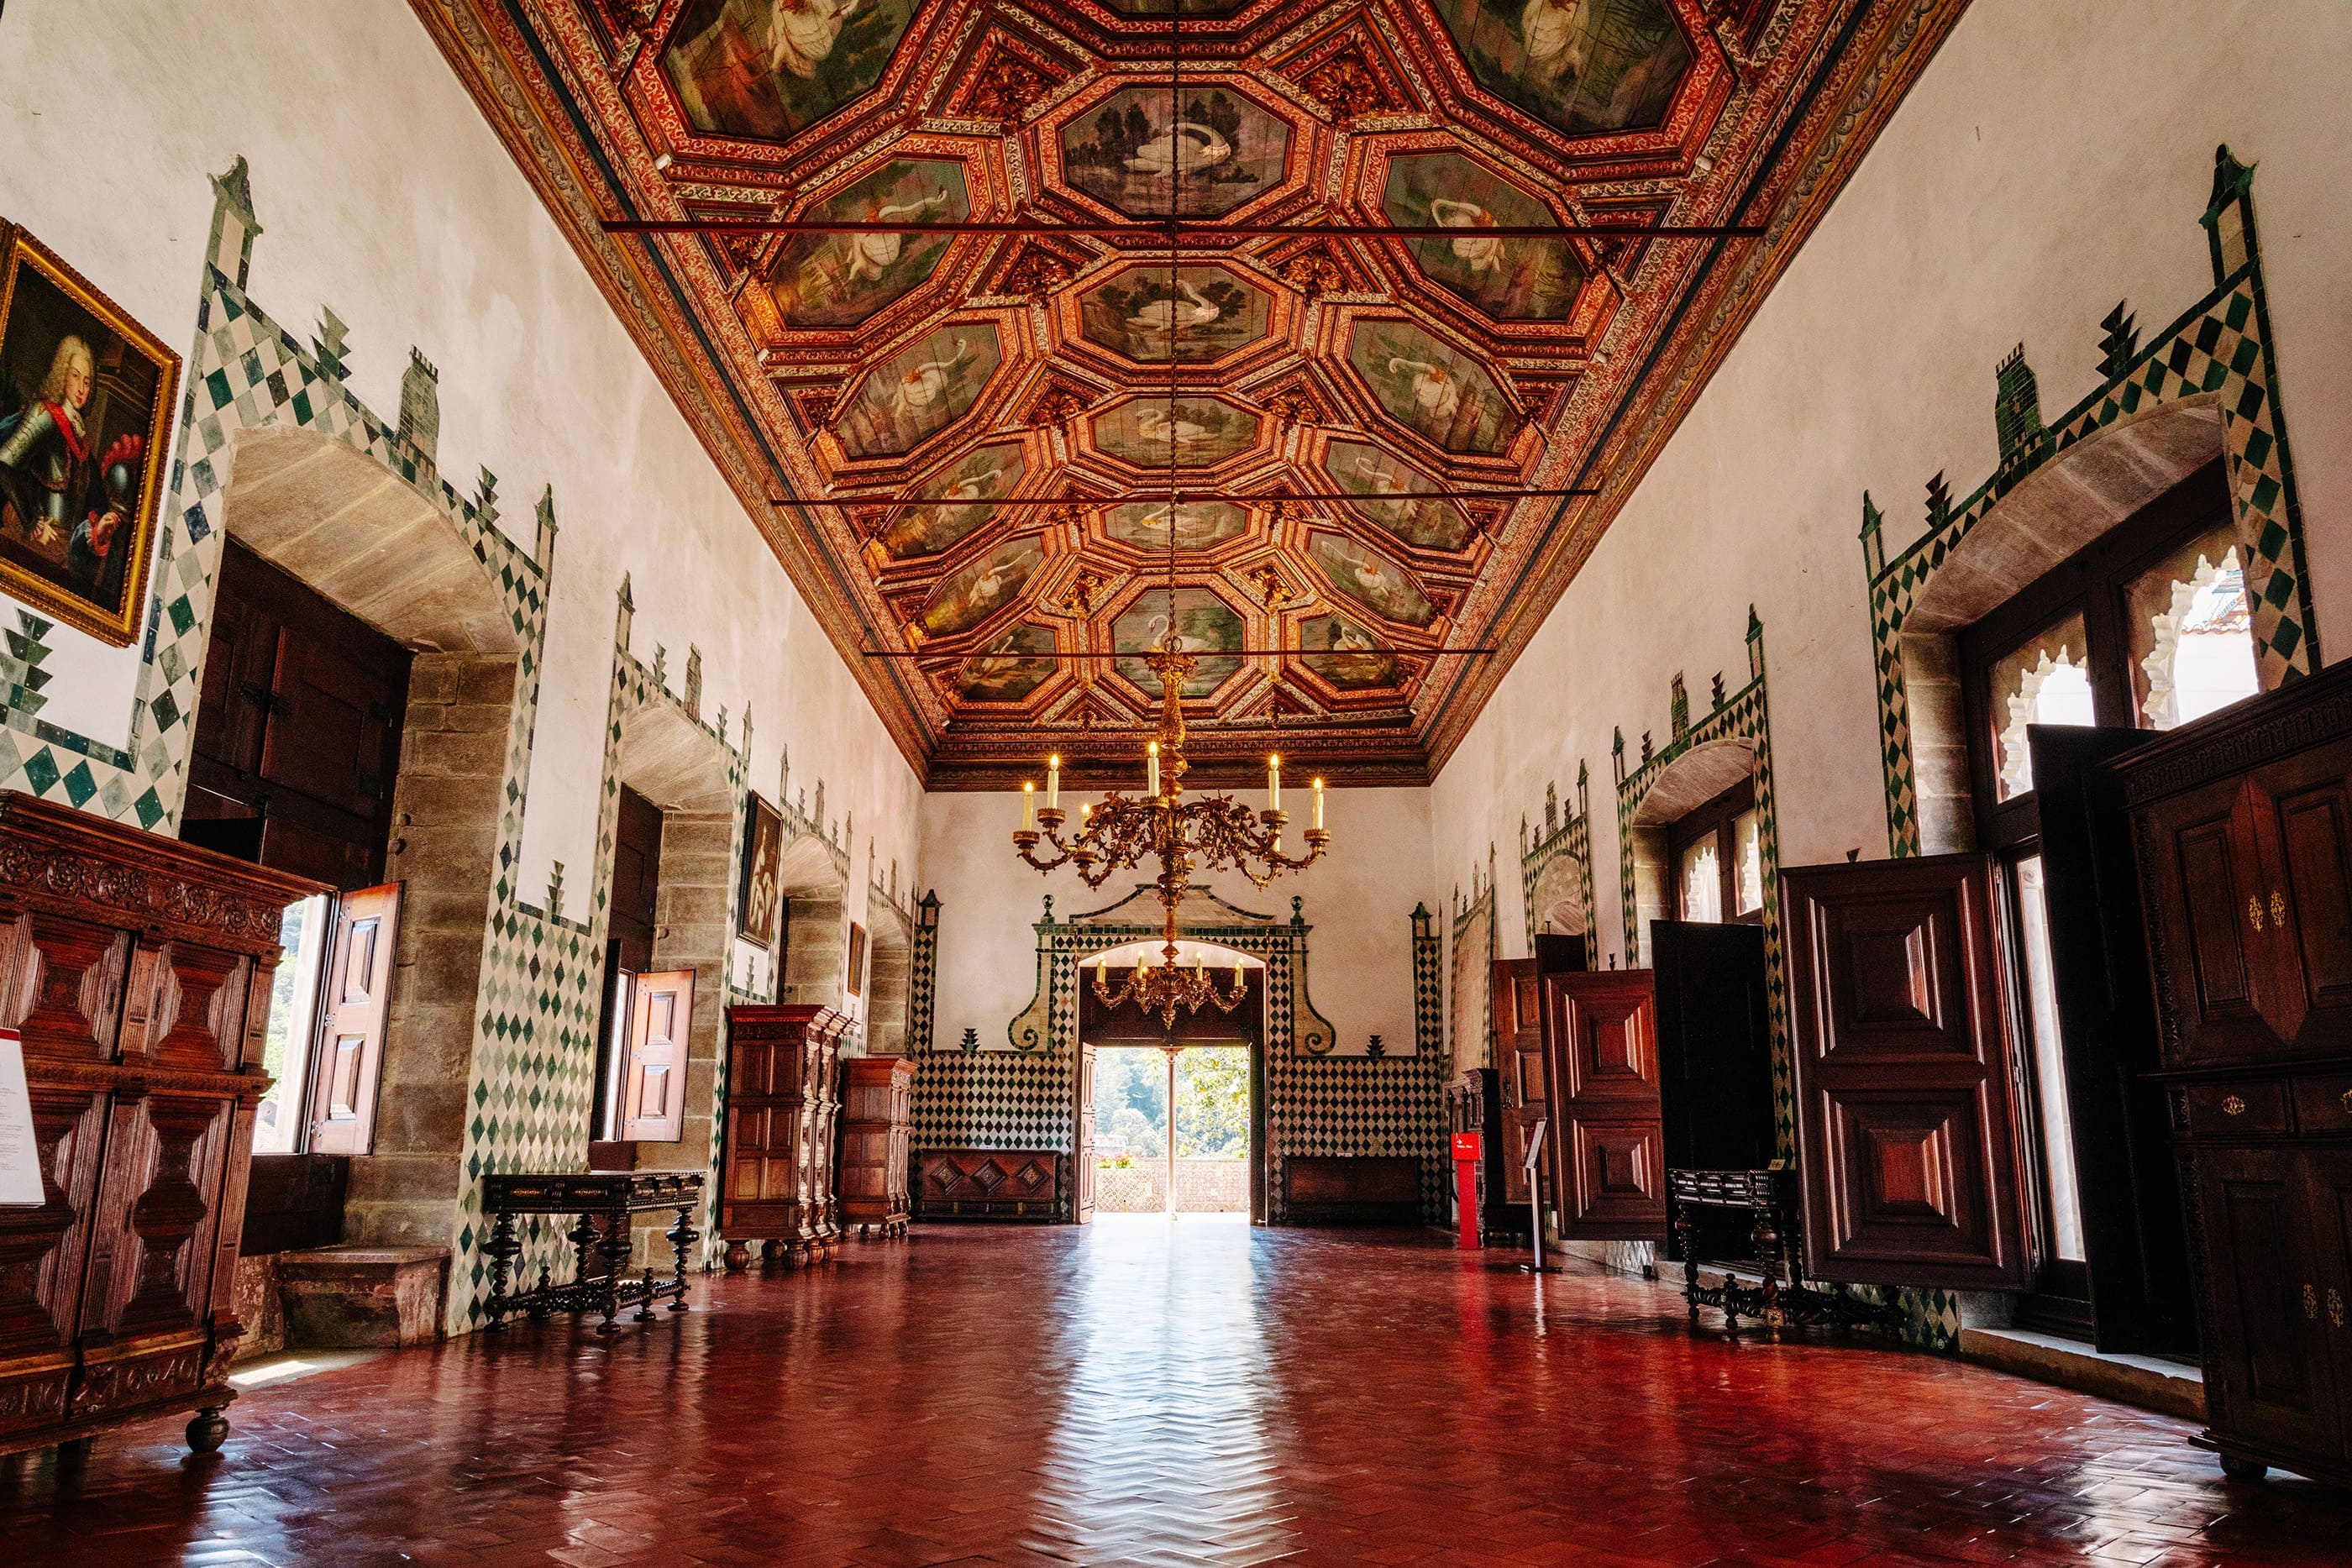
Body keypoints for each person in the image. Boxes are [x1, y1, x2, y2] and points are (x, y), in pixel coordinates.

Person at [0, 335, 134, 580]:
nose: (82, 389)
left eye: (87, 381)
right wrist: (31, 522)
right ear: (62, 375)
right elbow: (4, 465)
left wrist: (100, 527)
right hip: (30, 541)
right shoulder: (43, 414)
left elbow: (89, 500)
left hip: (59, 549)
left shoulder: (79, 432)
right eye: (75, 376)